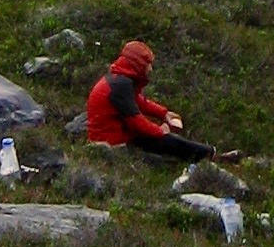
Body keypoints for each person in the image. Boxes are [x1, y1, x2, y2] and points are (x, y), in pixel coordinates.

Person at [85, 39, 213, 163]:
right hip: (113, 143)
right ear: (138, 64)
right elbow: (137, 122)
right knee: (166, 143)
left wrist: (164, 113)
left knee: (167, 141)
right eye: (148, 63)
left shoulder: (117, 79)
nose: (150, 69)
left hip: (112, 136)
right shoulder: (121, 85)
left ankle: (207, 154)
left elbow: (139, 101)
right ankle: (210, 155)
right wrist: (160, 131)